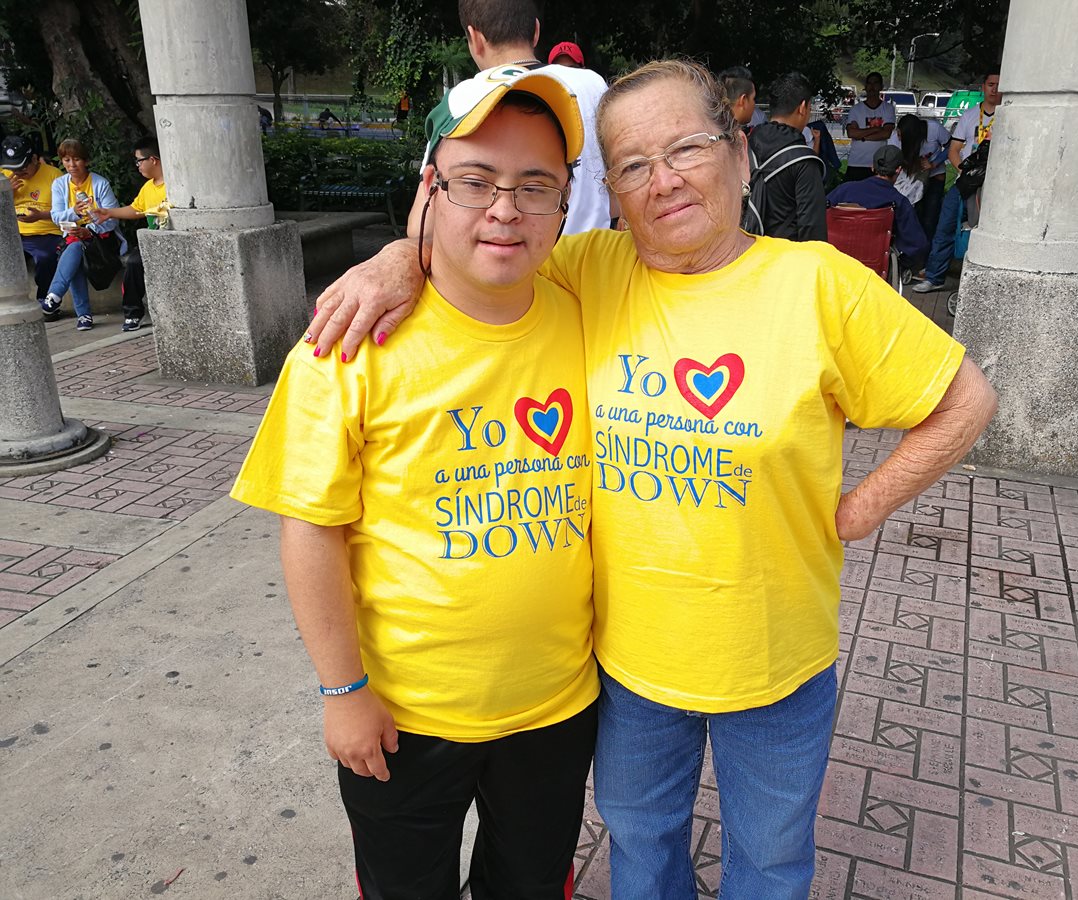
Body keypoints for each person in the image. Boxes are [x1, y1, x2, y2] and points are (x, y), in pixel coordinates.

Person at [306, 59, 997, 897]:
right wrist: (394, 260)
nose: (662, 180)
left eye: (687, 149)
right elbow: (480, 234)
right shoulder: (587, 271)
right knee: (639, 847)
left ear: (739, 153)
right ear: (610, 191)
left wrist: (857, 512)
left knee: (771, 860)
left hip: (774, 664)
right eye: (632, 165)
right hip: (627, 669)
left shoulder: (819, 287)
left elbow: (964, 402)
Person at [232, 69, 597, 899]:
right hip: (401, 717)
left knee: (532, 884)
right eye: (475, 181)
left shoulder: (592, 309)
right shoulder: (349, 345)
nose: (506, 208)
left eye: (536, 187)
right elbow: (311, 528)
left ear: (566, 205)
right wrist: (342, 691)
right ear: (428, 187)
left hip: (556, 706)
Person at [408, 0, 611, 237]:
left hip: (504, 259)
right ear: (535, 31)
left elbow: (421, 228)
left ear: (474, 38)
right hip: (592, 262)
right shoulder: (593, 84)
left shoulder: (460, 100)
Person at [913, 70, 1002, 293]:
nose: (994, 89)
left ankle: (982, 281)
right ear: (983, 86)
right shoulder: (971, 114)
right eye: (990, 84)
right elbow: (954, 149)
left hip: (995, 184)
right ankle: (934, 277)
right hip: (966, 181)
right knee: (946, 224)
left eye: (999, 85)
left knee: (984, 230)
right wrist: (963, 170)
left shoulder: (1009, 114)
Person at [39, 139, 127, 331]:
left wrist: (89, 229)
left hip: (101, 241)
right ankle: (82, 315)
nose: (72, 165)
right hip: (73, 237)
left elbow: (112, 219)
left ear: (86, 161)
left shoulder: (100, 183)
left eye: (77, 159)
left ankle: (61, 300)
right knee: (75, 248)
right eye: (67, 160)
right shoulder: (59, 184)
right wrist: (75, 213)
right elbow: (56, 216)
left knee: (76, 248)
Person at [90, 137, 167, 332]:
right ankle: (133, 314)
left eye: (139, 160)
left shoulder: (175, 183)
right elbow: (136, 209)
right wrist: (108, 212)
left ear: (154, 160)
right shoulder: (149, 186)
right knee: (133, 262)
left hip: (172, 238)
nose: (138, 166)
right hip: (152, 239)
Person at [746, 71, 827, 241]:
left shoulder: (744, 146)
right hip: (785, 259)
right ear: (803, 107)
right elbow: (812, 227)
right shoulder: (804, 160)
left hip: (744, 254)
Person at [828, 144, 930, 271]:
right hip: (874, 269)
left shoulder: (843, 190)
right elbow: (918, 245)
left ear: (872, 167)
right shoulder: (898, 201)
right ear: (898, 170)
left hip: (836, 263)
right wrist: (902, 265)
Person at [1, 135, 63, 306]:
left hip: (45, 231)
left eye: (23, 168)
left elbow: (64, 210)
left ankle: (46, 301)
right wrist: (7, 193)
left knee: (45, 257)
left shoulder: (54, 175)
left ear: (35, 159)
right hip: (13, 232)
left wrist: (40, 215)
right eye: (15, 169)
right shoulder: (5, 176)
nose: (18, 173)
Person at [889, 112, 952, 238]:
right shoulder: (894, 139)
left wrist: (934, 163)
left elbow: (952, 145)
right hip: (910, 179)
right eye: (898, 134)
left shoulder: (934, 129)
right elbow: (892, 159)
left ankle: (927, 250)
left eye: (902, 135)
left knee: (930, 217)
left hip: (934, 176)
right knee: (911, 213)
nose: (899, 137)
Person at [844, 72, 896, 181]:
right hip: (856, 162)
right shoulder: (856, 109)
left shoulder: (888, 108)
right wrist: (876, 129)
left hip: (878, 164)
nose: (872, 86)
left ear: (881, 87)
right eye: (869, 83)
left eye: (875, 83)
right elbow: (851, 133)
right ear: (865, 87)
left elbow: (886, 133)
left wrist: (862, 136)